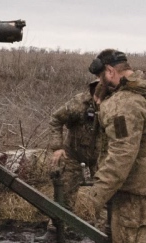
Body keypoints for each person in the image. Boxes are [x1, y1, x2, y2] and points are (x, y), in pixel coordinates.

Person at [84, 49, 146, 243]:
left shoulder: (125, 103)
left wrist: (93, 198)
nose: (101, 83)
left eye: (101, 77)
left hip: (136, 194)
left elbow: (121, 155)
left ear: (110, 71)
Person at [36, 80, 101, 241]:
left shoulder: (116, 104)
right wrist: (57, 147)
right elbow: (56, 119)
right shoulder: (79, 104)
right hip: (73, 154)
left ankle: (103, 234)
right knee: (63, 193)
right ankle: (54, 231)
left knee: (106, 196)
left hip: (102, 156)